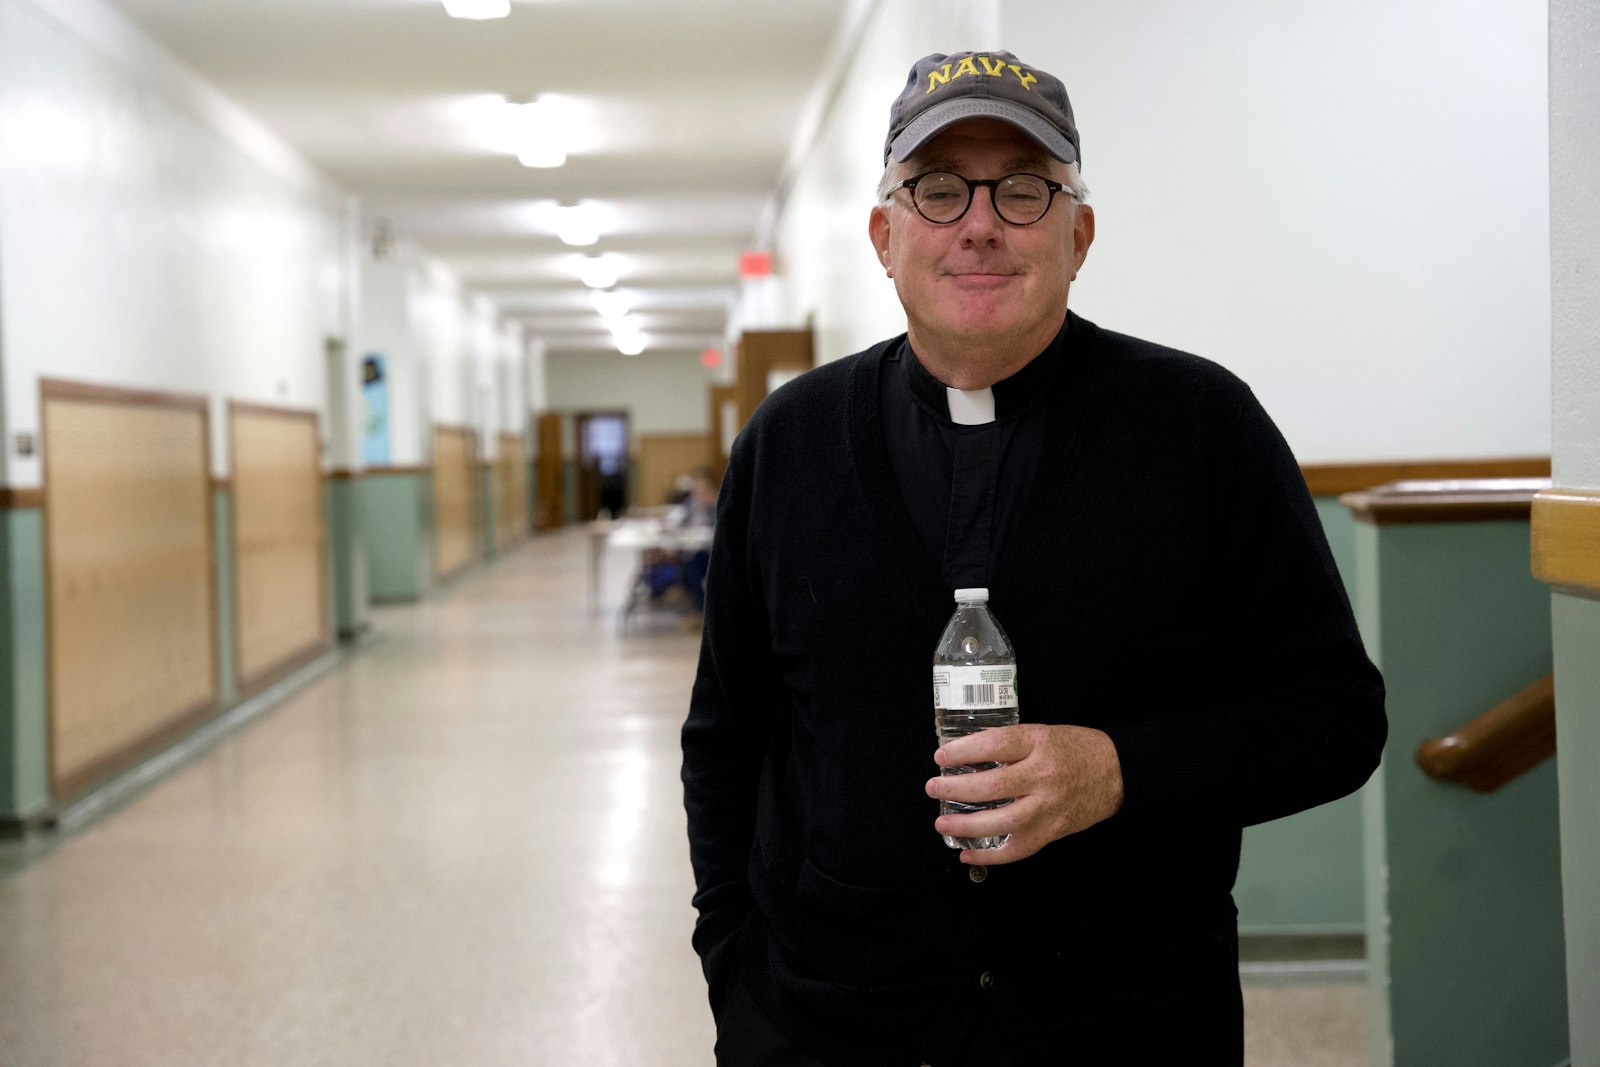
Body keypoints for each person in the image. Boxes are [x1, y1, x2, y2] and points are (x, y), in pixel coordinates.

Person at [681, 49, 1386, 1066]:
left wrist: (1115, 769)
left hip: (1126, 1015)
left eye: (1022, 189)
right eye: (936, 188)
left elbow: (1333, 718)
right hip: (832, 1016)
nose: (978, 222)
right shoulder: (788, 443)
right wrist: (732, 969)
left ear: (1078, 233)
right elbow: (726, 736)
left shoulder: (1198, 427)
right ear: (884, 235)